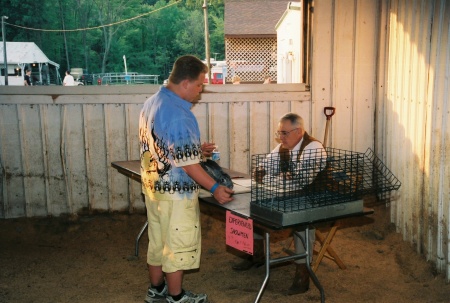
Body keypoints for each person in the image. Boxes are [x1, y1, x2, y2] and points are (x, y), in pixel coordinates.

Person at [139, 55, 234, 303]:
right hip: (175, 193)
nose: (201, 90)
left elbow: (164, 146)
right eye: (200, 84)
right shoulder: (179, 114)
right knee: (177, 244)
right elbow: (188, 164)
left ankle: (156, 290)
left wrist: (194, 149)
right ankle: (176, 297)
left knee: (158, 241)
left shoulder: (152, 103)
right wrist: (215, 187)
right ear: (185, 83)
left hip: (153, 188)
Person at [232, 112, 326, 295]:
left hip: (312, 199)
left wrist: (276, 177)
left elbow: (302, 181)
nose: (280, 137)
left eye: (284, 133)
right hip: (287, 194)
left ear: (298, 131)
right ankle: (256, 255)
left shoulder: (313, 147)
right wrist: (272, 175)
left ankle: (302, 273)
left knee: (302, 223)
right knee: (255, 207)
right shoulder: (283, 147)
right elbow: (263, 168)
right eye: (279, 133)